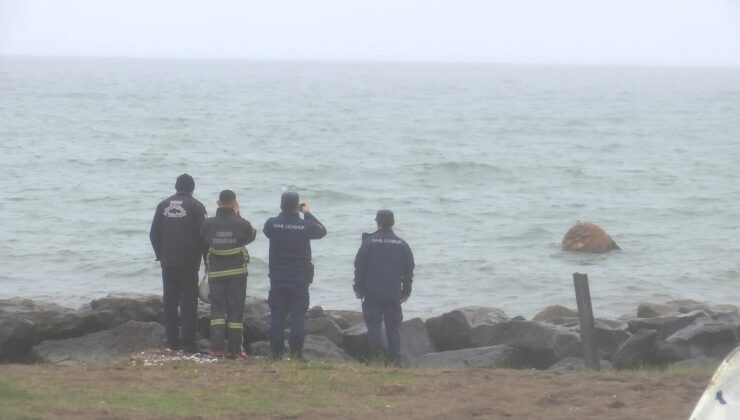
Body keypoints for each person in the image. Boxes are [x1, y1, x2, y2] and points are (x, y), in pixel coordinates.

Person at [263, 192, 327, 360]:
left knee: (277, 314)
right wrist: (306, 213)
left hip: (278, 277)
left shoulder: (272, 224)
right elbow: (322, 231)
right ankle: (296, 352)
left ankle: (276, 351)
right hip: (299, 278)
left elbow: (267, 231)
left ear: (281, 205)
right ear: (296, 206)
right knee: (298, 315)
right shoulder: (305, 226)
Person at [149, 173, 207, 353]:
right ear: (192, 188)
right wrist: (207, 261)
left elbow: (153, 234)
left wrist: (161, 255)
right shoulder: (197, 207)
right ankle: (188, 343)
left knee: (170, 302)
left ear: (176, 187)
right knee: (188, 303)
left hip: (168, 261)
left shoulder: (163, 205)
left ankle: (172, 341)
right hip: (189, 262)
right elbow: (204, 237)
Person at [353, 210, 415, 365]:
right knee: (393, 328)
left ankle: (378, 360)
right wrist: (406, 291)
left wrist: (358, 287)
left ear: (377, 222)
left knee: (373, 326)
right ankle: (395, 361)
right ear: (393, 223)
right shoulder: (402, 244)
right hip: (393, 293)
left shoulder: (369, 242)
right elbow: (409, 270)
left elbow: (359, 266)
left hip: (371, 292)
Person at [200, 190, 257, 359]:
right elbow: (250, 236)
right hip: (237, 274)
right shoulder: (243, 223)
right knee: (235, 311)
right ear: (234, 203)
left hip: (216, 273)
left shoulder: (207, 224)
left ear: (218, 203)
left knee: (217, 310)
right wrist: (238, 215)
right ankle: (236, 350)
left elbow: (203, 239)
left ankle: (217, 349)